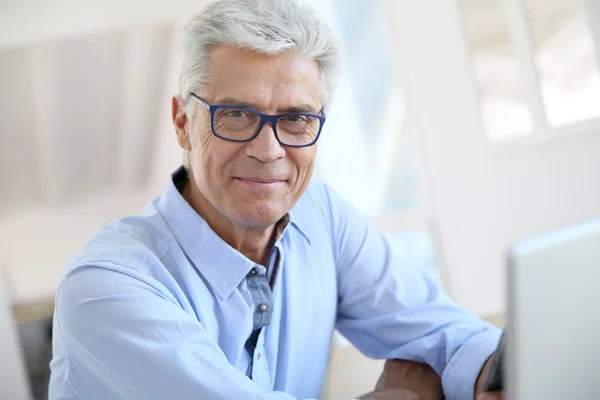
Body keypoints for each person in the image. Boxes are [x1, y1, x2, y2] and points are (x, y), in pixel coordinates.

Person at [48, 0, 503, 399]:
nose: (268, 150)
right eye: (236, 114)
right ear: (183, 122)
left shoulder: (320, 218)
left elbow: (452, 336)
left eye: (297, 119)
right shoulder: (107, 287)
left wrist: (493, 374)